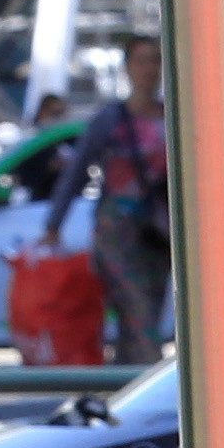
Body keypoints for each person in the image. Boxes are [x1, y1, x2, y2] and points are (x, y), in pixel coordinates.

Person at [61, 35, 173, 363]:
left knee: (142, 312)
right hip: (117, 235)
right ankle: (149, 383)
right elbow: (77, 172)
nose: (149, 68)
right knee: (139, 313)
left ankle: (125, 394)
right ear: (127, 68)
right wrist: (54, 225)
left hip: (158, 233)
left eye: (155, 60)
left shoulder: (172, 118)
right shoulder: (110, 120)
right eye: (141, 60)